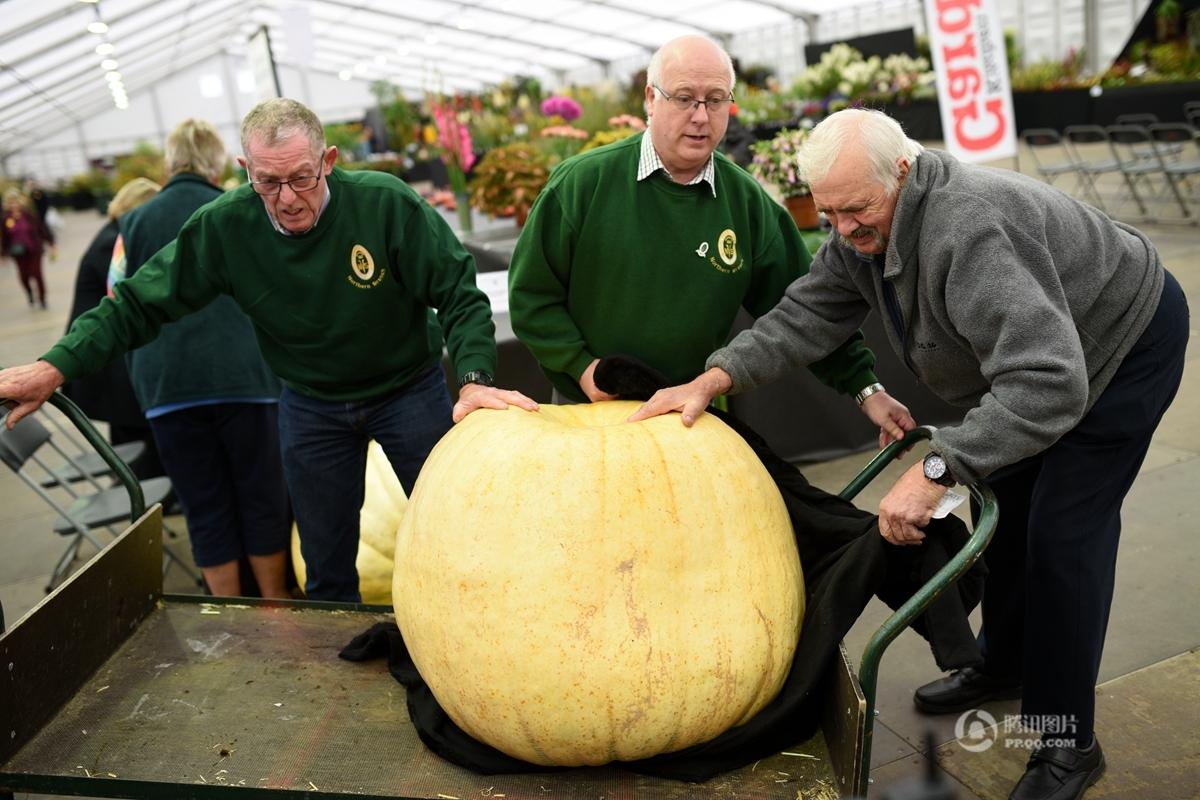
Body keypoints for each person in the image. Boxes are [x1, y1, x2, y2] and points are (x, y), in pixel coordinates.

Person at [628, 108, 1189, 800]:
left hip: (1120, 342)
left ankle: (1067, 744)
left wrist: (935, 471)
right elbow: (806, 315)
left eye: (856, 209)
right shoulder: (861, 228)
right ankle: (1005, 664)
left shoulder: (970, 227)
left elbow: (1049, 383)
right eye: (827, 213)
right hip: (1042, 359)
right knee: (1008, 507)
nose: (843, 229)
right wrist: (715, 378)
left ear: (903, 169)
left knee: (1064, 535)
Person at [0, 98, 538, 602]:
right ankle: (339, 673)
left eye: (301, 178)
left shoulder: (385, 204)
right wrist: (55, 366)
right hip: (312, 403)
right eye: (268, 181)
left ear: (327, 161)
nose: (286, 198)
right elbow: (137, 303)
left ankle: (470, 628)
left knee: (451, 530)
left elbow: (458, 292)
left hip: (407, 390)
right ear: (243, 170)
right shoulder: (225, 226)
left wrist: (473, 379)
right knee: (325, 562)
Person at [508, 35, 898, 427]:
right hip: (588, 411)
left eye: (715, 100)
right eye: (684, 98)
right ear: (650, 98)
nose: (700, 116)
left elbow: (808, 308)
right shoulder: (580, 186)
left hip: (687, 413)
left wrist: (865, 388)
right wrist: (580, 367)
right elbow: (531, 296)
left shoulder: (745, 202)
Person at [114, 119, 290, 599]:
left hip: (168, 389)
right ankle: (276, 609)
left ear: (170, 164)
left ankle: (228, 616)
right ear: (218, 164)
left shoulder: (132, 223)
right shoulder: (237, 210)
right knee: (262, 498)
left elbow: (116, 298)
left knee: (203, 505)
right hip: (246, 379)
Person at [61, 177, 164, 479]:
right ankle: (145, 498)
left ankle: (141, 492)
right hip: (103, 359)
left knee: (130, 434)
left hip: (103, 356)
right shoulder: (114, 243)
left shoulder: (112, 234)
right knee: (137, 433)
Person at [1, 188, 56, 308]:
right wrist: (3, 254)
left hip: (34, 249)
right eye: (11, 202)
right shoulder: (5, 219)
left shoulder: (28, 215)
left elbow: (41, 229)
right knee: (24, 276)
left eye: (15, 201)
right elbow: (3, 238)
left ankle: (42, 299)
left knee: (37, 274)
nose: (14, 204)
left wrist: (51, 242)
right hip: (18, 252)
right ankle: (29, 293)